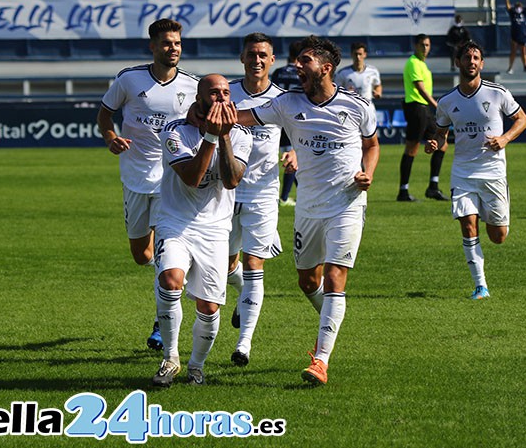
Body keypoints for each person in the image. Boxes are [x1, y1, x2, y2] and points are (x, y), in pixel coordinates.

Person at [233, 35, 380, 386]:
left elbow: (372, 145)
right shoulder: (287, 104)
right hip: (308, 209)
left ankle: (321, 360)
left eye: (305, 61)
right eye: (296, 60)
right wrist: (207, 113)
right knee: (307, 280)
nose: (296, 66)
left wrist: (367, 173)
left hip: (346, 203)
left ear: (326, 68)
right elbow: (243, 117)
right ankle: (331, 318)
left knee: (334, 278)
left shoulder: (357, 106)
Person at [97, 19, 199, 352]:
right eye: (168, 43)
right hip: (135, 178)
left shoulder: (192, 86)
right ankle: (171, 270)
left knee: (163, 252)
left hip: (172, 180)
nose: (174, 49)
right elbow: (104, 114)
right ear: (152, 46)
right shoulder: (129, 79)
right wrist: (111, 137)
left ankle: (163, 316)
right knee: (142, 255)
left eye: (178, 43)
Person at [151, 74, 252, 387]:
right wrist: (210, 136)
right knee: (170, 281)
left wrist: (222, 136)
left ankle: (196, 367)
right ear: (198, 96)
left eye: (225, 91)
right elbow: (192, 178)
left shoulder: (241, 135)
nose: (221, 97)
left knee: (208, 307)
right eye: (214, 92)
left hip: (215, 229)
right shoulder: (174, 130)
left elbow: (233, 179)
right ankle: (170, 358)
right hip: (175, 221)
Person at [425, 40, 526, 299]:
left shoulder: (497, 93)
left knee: (498, 236)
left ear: (481, 64)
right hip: (463, 173)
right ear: (457, 63)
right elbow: (442, 133)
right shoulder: (447, 101)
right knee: (468, 226)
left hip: (493, 173)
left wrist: (504, 139)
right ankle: (480, 286)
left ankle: (488, 213)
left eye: (476, 58)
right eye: (467, 57)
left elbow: (522, 119)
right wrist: (435, 143)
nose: (471, 61)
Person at [226, 33, 296, 368]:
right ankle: (241, 295)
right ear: (242, 57)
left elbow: (298, 136)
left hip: (263, 192)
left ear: (272, 60)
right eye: (252, 54)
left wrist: (294, 152)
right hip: (224, 191)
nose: (257, 60)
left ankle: (244, 343)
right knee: (226, 266)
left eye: (263, 55)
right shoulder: (226, 93)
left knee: (255, 265)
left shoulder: (283, 100)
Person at [398, 34, 449, 202]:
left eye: (427, 45)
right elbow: (420, 89)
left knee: (442, 144)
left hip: (424, 109)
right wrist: (437, 105)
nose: (425, 48)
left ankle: (433, 186)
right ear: (416, 46)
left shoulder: (423, 65)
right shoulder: (413, 63)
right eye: (422, 45)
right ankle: (403, 191)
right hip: (416, 108)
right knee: (412, 148)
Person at [270, 40, 303, 207]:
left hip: (277, 117)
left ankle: (293, 194)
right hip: (293, 117)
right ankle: (283, 197)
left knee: (287, 156)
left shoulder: (277, 72)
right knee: (293, 157)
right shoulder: (300, 72)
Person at [334, 42, 383, 108]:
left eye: (360, 54)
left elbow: (377, 85)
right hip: (350, 108)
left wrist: (378, 93)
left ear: (365, 54)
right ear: (351, 54)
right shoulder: (342, 73)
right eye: (355, 54)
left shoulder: (373, 71)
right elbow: (335, 91)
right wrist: (345, 93)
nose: (358, 57)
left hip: (368, 107)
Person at [505, 0, 526, 74]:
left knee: (523, 51)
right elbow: (508, 6)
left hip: (522, 34)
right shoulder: (513, 13)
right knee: (513, 52)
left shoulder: (524, 12)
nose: (518, 8)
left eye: (519, 7)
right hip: (514, 34)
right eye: (517, 7)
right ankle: (510, 67)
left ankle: (525, 66)